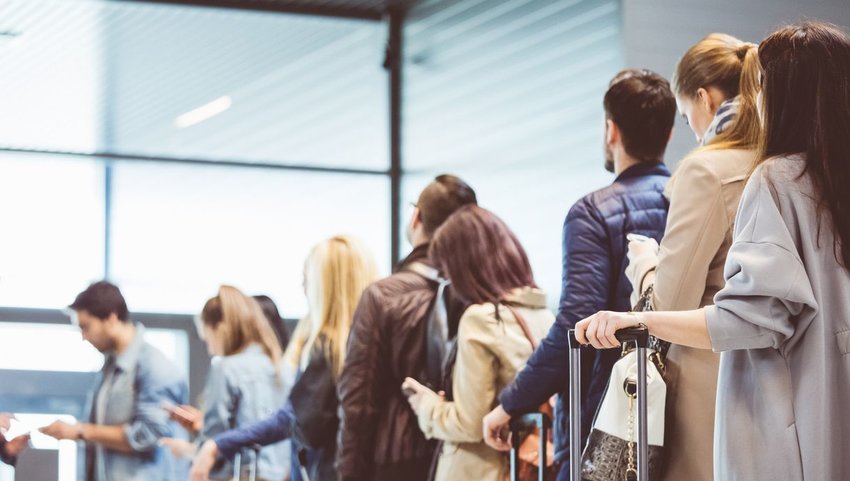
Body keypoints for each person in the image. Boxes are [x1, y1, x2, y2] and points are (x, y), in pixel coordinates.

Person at [574, 21, 850, 481]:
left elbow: (748, 315)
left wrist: (636, 310)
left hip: (780, 415)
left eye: (761, 87)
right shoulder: (831, 180)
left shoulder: (777, 180)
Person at [482, 69, 676, 478]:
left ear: (611, 130)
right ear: (670, 134)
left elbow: (576, 322)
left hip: (608, 411)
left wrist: (510, 403)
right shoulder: (692, 205)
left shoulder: (592, 213)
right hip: (682, 402)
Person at [622, 33, 760, 480]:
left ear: (703, 98)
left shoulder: (706, 169)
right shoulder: (780, 158)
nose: (694, 130)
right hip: (770, 373)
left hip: (708, 374)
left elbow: (669, 302)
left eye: (687, 117)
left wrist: (644, 264)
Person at [190, 235, 379, 481]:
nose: (303, 287)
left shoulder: (329, 352)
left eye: (308, 279)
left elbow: (290, 420)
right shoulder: (372, 347)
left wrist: (217, 445)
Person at [336, 174, 477, 481]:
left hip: (394, 460)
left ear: (416, 217)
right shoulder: (481, 296)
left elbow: (358, 405)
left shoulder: (383, 296)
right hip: (465, 458)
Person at [402, 205, 555, 481]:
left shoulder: (481, 319)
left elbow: (470, 423)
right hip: (529, 464)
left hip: (480, 469)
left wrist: (426, 406)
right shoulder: (543, 315)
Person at [40, 281, 188, 481]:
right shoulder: (110, 367)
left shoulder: (155, 366)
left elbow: (147, 436)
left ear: (111, 317)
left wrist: (80, 431)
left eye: (86, 326)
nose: (83, 337)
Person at [161, 286, 288, 481]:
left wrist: (193, 451)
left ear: (220, 329)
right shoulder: (282, 366)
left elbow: (216, 437)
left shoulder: (226, 368)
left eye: (208, 339)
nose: (210, 349)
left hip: (242, 474)